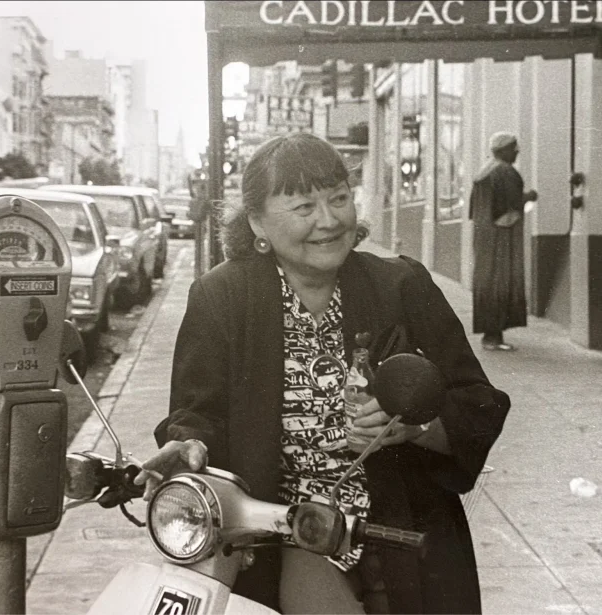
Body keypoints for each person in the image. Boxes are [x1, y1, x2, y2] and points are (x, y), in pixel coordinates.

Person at [135, 132, 511, 614]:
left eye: (339, 199)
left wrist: (416, 427)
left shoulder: (402, 285)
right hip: (283, 535)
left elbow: (479, 402)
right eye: (304, 207)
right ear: (257, 222)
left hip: (402, 531)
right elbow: (196, 411)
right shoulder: (222, 297)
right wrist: (187, 445)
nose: (329, 221)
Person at [469, 132, 538, 351]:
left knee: (488, 283)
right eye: (513, 147)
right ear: (504, 150)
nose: (517, 151)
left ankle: (491, 335)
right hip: (502, 237)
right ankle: (493, 337)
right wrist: (529, 196)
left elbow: (474, 210)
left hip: (484, 237)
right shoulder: (506, 172)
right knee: (502, 282)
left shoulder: (484, 172)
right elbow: (511, 204)